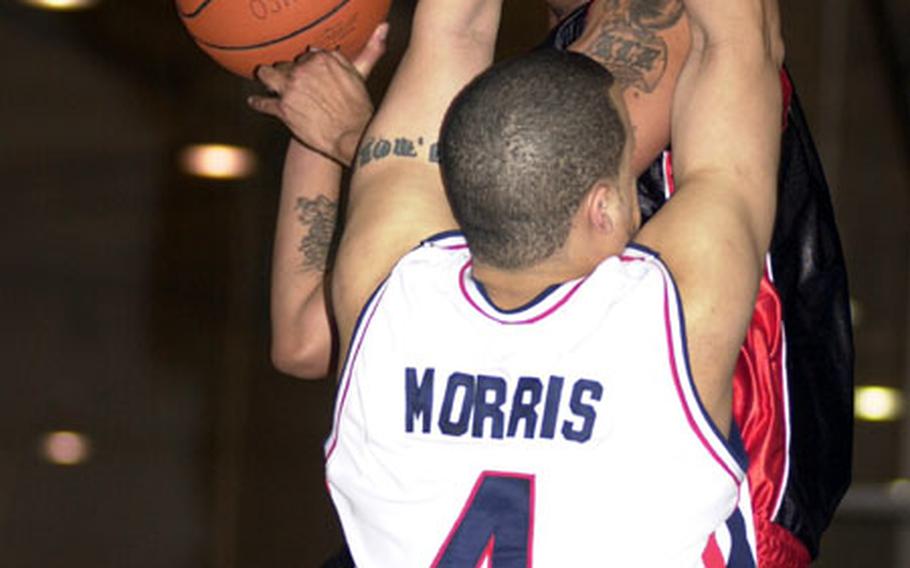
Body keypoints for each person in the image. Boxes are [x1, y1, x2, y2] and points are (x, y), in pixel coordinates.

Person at [251, 2, 852, 565]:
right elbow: (742, 46)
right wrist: (347, 137)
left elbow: (451, 34)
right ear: (606, 207)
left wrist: (345, 137)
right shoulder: (669, 317)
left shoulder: (391, 287)